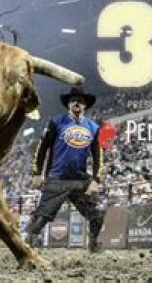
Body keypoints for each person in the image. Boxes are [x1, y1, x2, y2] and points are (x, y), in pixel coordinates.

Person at [26, 86, 105, 252]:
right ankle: (28, 245)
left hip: (80, 180)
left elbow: (98, 156)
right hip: (57, 178)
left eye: (80, 101)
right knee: (42, 217)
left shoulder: (93, 127)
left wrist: (96, 180)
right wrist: (37, 173)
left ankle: (93, 243)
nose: (77, 103)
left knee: (97, 214)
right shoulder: (56, 122)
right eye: (73, 100)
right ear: (68, 104)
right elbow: (42, 147)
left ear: (85, 105)